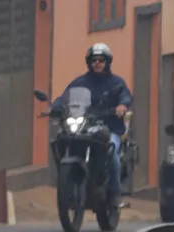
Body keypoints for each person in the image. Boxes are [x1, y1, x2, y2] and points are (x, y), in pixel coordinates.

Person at [52, 43, 132, 206]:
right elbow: (65, 97)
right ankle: (69, 182)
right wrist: (55, 107)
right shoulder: (80, 82)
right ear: (89, 62)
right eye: (94, 60)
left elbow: (126, 96)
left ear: (107, 62)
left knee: (112, 150)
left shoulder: (117, 82)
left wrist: (122, 105)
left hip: (110, 128)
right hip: (84, 126)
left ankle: (115, 193)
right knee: (61, 139)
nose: (97, 63)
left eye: (101, 60)